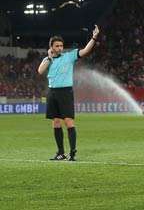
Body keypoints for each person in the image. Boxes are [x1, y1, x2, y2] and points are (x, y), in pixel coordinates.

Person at [37, 25, 100, 161]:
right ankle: (60, 153)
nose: (60, 48)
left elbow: (85, 51)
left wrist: (94, 38)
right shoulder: (47, 60)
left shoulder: (69, 56)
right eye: (57, 46)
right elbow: (40, 71)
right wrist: (49, 58)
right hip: (52, 92)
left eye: (61, 45)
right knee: (56, 122)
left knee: (68, 121)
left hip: (65, 92)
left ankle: (72, 153)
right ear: (51, 47)